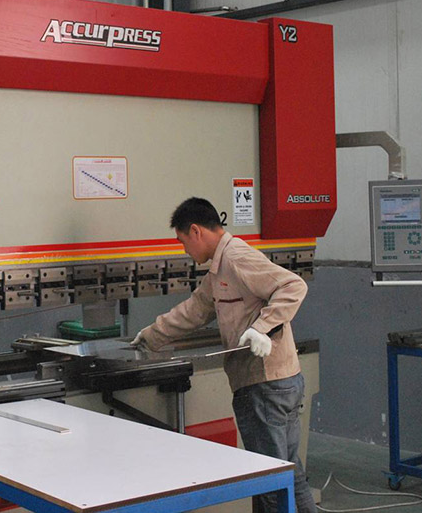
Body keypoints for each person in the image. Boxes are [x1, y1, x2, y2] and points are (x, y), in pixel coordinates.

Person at [131, 197, 316, 513]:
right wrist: (149, 337)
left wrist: (261, 328)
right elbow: (193, 311)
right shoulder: (219, 271)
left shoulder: (236, 258)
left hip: (265, 385)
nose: (184, 251)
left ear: (196, 231)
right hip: (276, 381)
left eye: (182, 242)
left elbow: (293, 286)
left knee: (270, 481)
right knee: (288, 472)